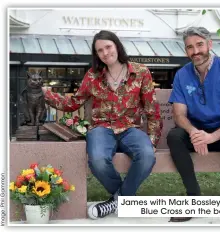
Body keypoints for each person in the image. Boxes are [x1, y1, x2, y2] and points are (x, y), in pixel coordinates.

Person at [43, 30, 163, 219]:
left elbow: (152, 109)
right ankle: (125, 199)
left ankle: (116, 201)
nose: (106, 53)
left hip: (131, 128)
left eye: (108, 47)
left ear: (116, 45)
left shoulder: (140, 72)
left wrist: (153, 139)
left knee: (147, 155)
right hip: (101, 129)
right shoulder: (92, 76)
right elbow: (74, 103)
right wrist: (46, 94)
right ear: (96, 54)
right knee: (97, 160)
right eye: (100, 50)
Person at [167, 27, 220, 224]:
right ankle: (194, 199)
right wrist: (194, 132)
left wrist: (212, 137)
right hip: (196, 132)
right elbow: (179, 115)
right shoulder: (182, 75)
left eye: (199, 45)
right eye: (190, 47)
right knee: (174, 136)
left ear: (209, 44)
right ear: (186, 51)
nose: (195, 51)